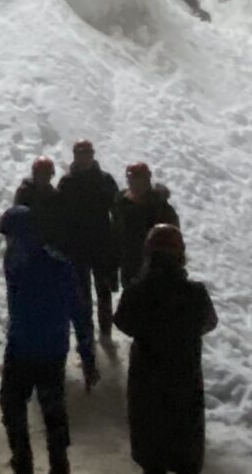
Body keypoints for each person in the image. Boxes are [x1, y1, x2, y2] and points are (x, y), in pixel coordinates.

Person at [113, 223, 217, 474]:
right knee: (187, 465)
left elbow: (123, 322)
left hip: (148, 389)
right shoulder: (195, 294)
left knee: (153, 462)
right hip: (185, 389)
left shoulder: (137, 293)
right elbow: (209, 322)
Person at [0, 201, 96, 474]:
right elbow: (79, 312)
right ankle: (50, 466)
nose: (9, 244)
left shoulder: (47, 267)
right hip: (40, 349)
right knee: (40, 409)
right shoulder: (40, 264)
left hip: (35, 350)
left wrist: (87, 353)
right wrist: (85, 352)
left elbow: (78, 311)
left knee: (28, 408)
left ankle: (36, 470)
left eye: (12, 237)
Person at [54, 139, 121, 347]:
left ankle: (105, 334)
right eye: (80, 154)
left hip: (101, 246)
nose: (83, 158)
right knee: (82, 295)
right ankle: (88, 337)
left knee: (103, 292)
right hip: (78, 248)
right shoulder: (68, 183)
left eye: (86, 154)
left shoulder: (104, 181)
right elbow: (60, 217)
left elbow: (118, 212)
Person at [113, 160, 179, 289]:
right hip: (129, 267)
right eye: (131, 181)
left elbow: (174, 240)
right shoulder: (123, 204)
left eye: (139, 182)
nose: (134, 186)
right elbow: (116, 232)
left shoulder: (161, 208)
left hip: (156, 271)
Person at [13, 155, 59, 233]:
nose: (46, 178)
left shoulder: (52, 194)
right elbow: (18, 216)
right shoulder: (24, 192)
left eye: (48, 174)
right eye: (43, 174)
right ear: (35, 173)